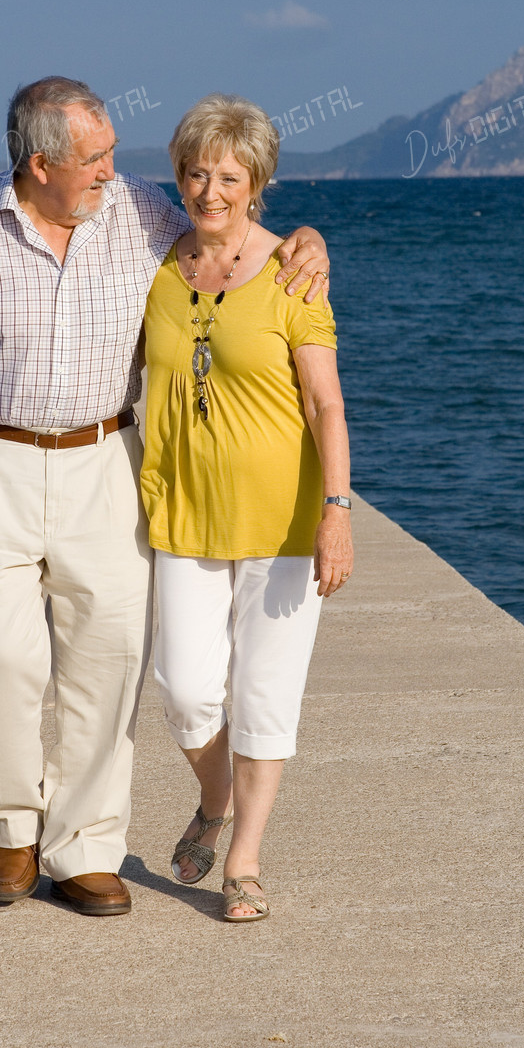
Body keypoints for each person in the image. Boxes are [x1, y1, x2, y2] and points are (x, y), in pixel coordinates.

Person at [0, 77, 332, 916]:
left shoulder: (137, 212)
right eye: (93, 158)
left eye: (109, 153)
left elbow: (234, 233)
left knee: (110, 658)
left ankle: (85, 847)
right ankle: (11, 830)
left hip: (105, 459)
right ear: (39, 164)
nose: (111, 170)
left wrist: (308, 241)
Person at [140, 93, 353, 922]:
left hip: (282, 520)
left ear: (257, 181)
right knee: (185, 690)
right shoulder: (159, 265)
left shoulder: (293, 273)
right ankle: (214, 797)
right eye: (196, 172)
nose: (210, 190)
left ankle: (245, 861)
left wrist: (335, 509)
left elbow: (325, 403)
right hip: (183, 513)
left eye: (229, 175)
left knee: (265, 695)